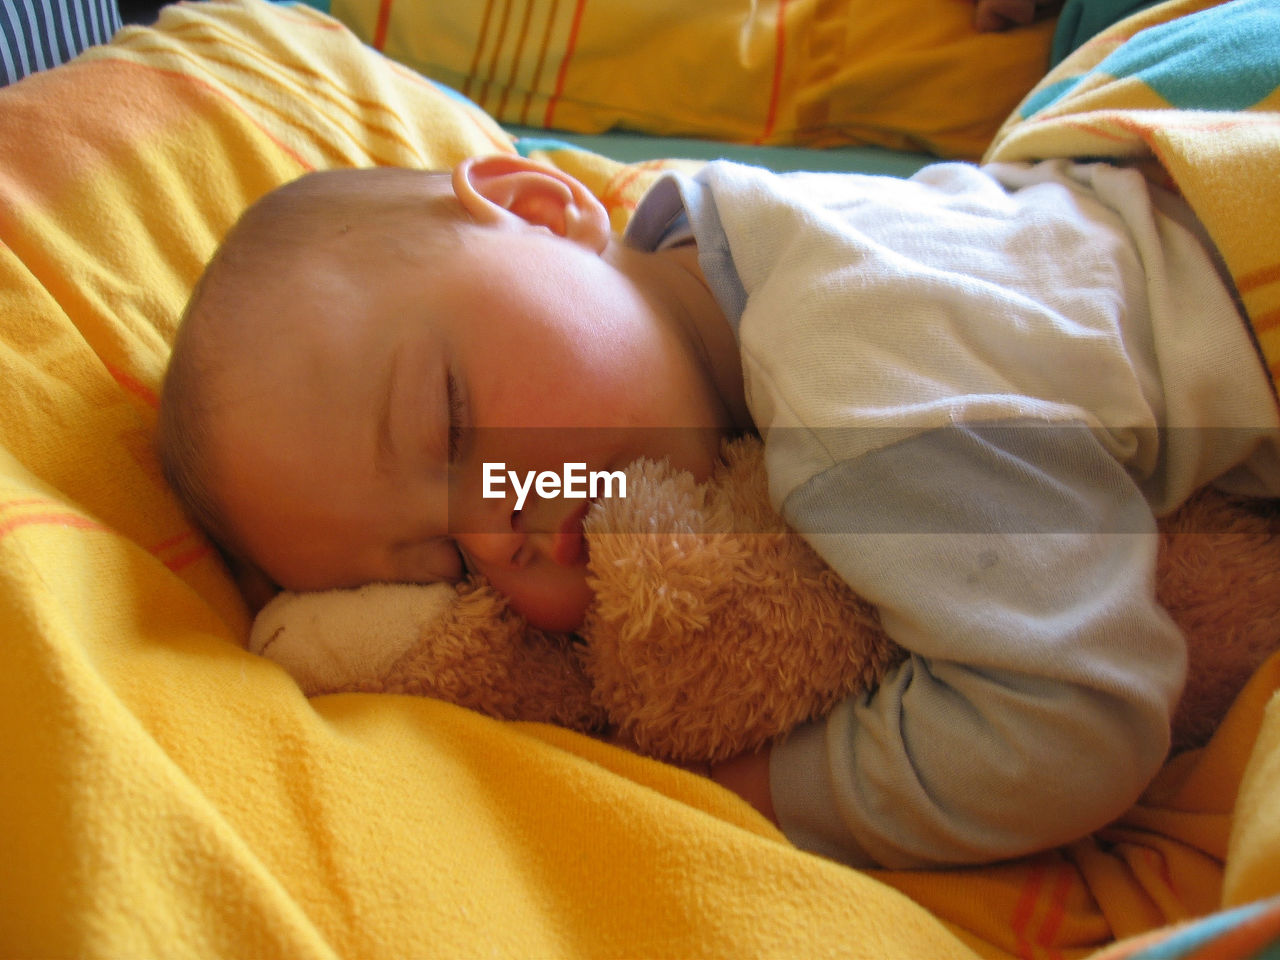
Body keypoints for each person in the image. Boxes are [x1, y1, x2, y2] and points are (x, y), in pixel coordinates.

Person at [157, 153, 1280, 869]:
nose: (498, 524)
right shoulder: (709, 234)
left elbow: (1069, 726)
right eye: (441, 567)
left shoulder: (859, 404)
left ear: (540, 206)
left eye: (452, 426)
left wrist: (735, 786)